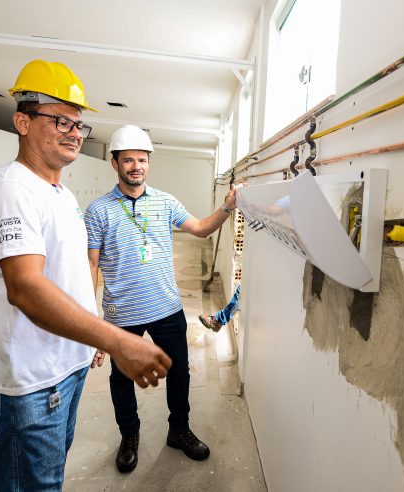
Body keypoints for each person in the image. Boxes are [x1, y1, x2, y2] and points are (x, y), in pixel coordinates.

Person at [0, 60, 172, 491]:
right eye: (60, 120)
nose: (74, 132)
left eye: (79, 124)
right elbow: (26, 287)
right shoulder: (9, 190)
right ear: (23, 121)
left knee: (49, 478)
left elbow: (74, 274)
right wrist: (114, 340)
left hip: (65, 367)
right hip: (33, 382)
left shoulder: (58, 193)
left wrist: (88, 340)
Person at [84, 124, 239, 473]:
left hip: (166, 309)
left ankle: (179, 431)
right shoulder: (98, 211)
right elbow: (90, 265)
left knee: (179, 372)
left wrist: (227, 208)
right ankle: (129, 435)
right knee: (122, 379)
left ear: (149, 163)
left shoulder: (166, 202)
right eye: (128, 160)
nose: (135, 166)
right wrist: (92, 323)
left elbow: (199, 228)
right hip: (121, 314)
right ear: (115, 164)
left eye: (141, 160)